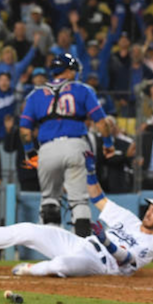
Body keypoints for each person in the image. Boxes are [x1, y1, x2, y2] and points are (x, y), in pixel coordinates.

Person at [0, 154, 153, 277]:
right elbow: (98, 198)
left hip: (97, 263)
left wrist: (106, 240)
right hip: (82, 243)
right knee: (27, 230)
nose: (150, 212)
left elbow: (126, 260)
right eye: (150, 207)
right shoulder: (130, 219)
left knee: (61, 265)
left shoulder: (150, 245)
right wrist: (91, 173)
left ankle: (31, 270)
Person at [19, 54, 115, 237]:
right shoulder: (83, 90)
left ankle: (54, 250)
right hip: (75, 145)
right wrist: (108, 143)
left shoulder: (35, 94)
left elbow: (24, 129)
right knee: (79, 201)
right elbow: (102, 122)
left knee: (49, 199)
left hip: (47, 148)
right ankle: (81, 249)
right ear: (70, 71)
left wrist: (29, 151)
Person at [97, 116, 135, 194]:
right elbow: (107, 159)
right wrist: (125, 155)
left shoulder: (124, 144)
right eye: (105, 126)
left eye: (110, 126)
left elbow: (130, 162)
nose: (107, 128)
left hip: (118, 185)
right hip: (99, 184)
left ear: (114, 128)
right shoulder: (96, 142)